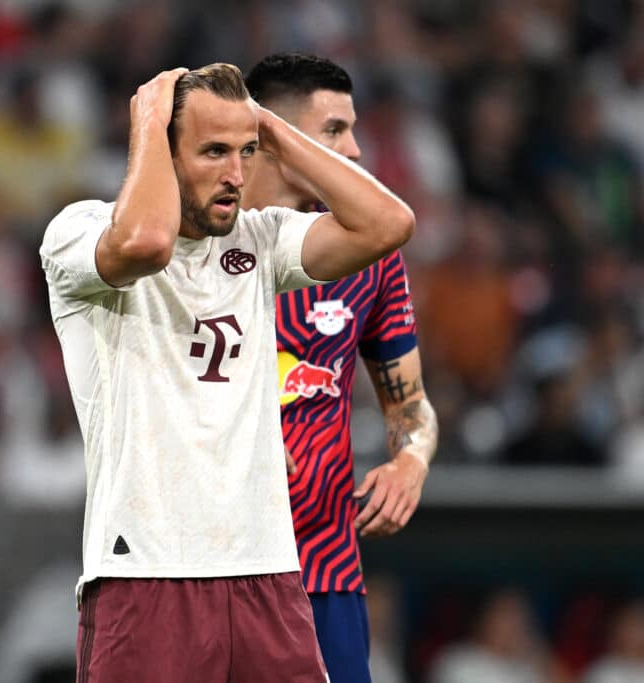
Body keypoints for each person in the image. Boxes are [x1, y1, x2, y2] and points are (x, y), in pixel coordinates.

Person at [40, 62, 414, 682]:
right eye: (213, 151)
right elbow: (145, 244)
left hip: (267, 570)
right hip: (147, 572)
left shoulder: (259, 241)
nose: (236, 175)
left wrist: (267, 126)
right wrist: (149, 119)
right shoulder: (78, 232)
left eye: (245, 153)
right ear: (158, 148)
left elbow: (388, 225)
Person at [243, 52, 439, 683]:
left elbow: (410, 408)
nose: (353, 150)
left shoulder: (372, 260)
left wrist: (412, 458)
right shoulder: (194, 248)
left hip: (325, 568)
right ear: (274, 136)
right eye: (332, 130)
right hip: (206, 562)